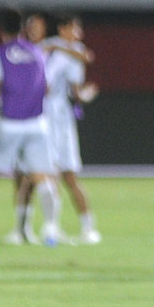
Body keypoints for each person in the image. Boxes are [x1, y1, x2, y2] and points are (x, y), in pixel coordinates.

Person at [0, 8, 61, 247]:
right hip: (37, 124)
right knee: (42, 177)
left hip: (8, 123)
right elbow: (46, 89)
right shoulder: (38, 53)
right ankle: (50, 232)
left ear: (0, 28)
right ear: (22, 28)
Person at [43, 13, 102, 244]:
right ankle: (53, 227)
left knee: (68, 175)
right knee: (52, 174)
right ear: (62, 29)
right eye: (75, 29)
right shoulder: (52, 49)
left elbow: (76, 92)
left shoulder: (69, 54)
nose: (79, 35)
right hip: (47, 118)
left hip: (62, 119)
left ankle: (87, 227)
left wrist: (86, 95)